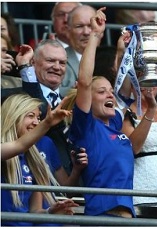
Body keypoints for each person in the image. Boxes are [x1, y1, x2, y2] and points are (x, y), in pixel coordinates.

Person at [67, 7, 135, 218]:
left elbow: (124, 87)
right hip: (102, 216)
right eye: (101, 92)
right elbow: (85, 81)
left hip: (128, 218)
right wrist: (95, 35)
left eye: (110, 92)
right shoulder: (86, 127)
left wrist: (124, 52)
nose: (110, 95)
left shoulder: (115, 123)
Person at [1, 94, 79, 226]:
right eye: (30, 116)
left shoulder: (33, 158)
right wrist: (47, 123)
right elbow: (19, 145)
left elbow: (35, 211)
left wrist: (50, 212)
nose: (36, 122)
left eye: (38, 118)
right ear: (13, 116)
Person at [16, 40, 75, 177]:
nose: (57, 67)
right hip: (37, 180)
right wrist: (25, 68)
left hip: (74, 184)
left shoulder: (70, 100)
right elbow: (41, 111)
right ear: (33, 63)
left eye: (62, 63)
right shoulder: (18, 97)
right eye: (50, 60)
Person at [61, 4, 98, 96]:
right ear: (68, 30)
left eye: (91, 26)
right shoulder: (58, 60)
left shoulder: (109, 58)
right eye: (79, 26)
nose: (86, 32)